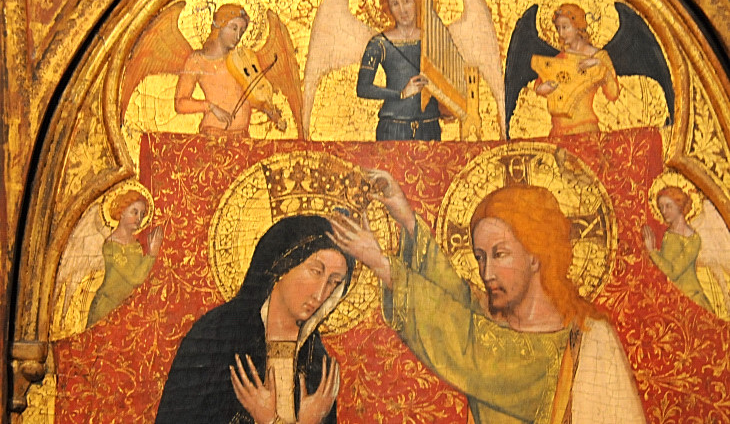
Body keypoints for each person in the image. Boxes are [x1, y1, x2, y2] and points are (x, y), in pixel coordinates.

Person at [329, 170, 646, 423]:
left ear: (536, 255)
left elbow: (465, 341)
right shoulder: (495, 318)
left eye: (500, 254)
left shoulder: (573, 342)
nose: (486, 272)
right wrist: (407, 220)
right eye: (480, 257)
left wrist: (383, 266)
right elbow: (455, 297)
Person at [156, 215, 355, 424]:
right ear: (282, 265)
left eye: (334, 282)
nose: (321, 293)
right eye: (315, 271)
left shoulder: (316, 362)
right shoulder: (216, 336)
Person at [174, 4, 286, 136]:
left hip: (242, 136)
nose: (238, 36)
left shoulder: (241, 59)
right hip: (213, 134)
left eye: (242, 31)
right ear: (220, 26)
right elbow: (180, 103)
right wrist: (211, 107)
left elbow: (251, 95)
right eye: (234, 28)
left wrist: (272, 113)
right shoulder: (198, 60)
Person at [356, 0, 442, 141]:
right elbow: (363, 88)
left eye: (406, 1)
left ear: (416, 2)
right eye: (395, 4)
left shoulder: (433, 39)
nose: (402, 10)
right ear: (389, 9)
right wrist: (402, 93)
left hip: (429, 126)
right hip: (393, 127)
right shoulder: (379, 43)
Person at [534, 4, 620, 136]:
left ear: (577, 26)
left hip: (585, 128)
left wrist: (599, 65)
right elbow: (539, 85)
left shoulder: (599, 56)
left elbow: (613, 94)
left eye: (565, 27)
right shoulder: (560, 58)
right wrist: (542, 89)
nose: (561, 33)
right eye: (558, 28)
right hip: (558, 131)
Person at [87, 189, 163, 327]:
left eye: (142, 214)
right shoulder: (111, 246)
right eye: (134, 212)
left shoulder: (136, 245)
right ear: (122, 212)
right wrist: (151, 254)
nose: (139, 218)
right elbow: (135, 279)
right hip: (106, 309)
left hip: (125, 310)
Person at [642, 186, 713, 311]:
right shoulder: (668, 234)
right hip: (673, 299)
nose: (664, 211)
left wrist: (652, 252)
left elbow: (673, 272)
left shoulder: (693, 239)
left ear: (679, 206)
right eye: (661, 207)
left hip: (692, 299)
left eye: (668, 206)